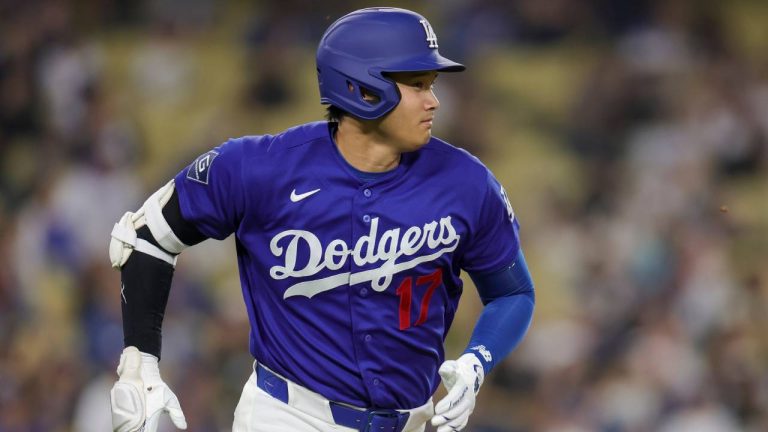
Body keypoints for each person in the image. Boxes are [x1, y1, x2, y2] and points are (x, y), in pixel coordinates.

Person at [108, 7, 535, 432]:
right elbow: (146, 236)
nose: (433, 100)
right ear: (364, 88)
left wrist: (477, 362)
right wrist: (140, 361)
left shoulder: (465, 182)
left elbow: (513, 293)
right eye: (417, 84)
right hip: (288, 416)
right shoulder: (261, 167)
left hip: (413, 421)